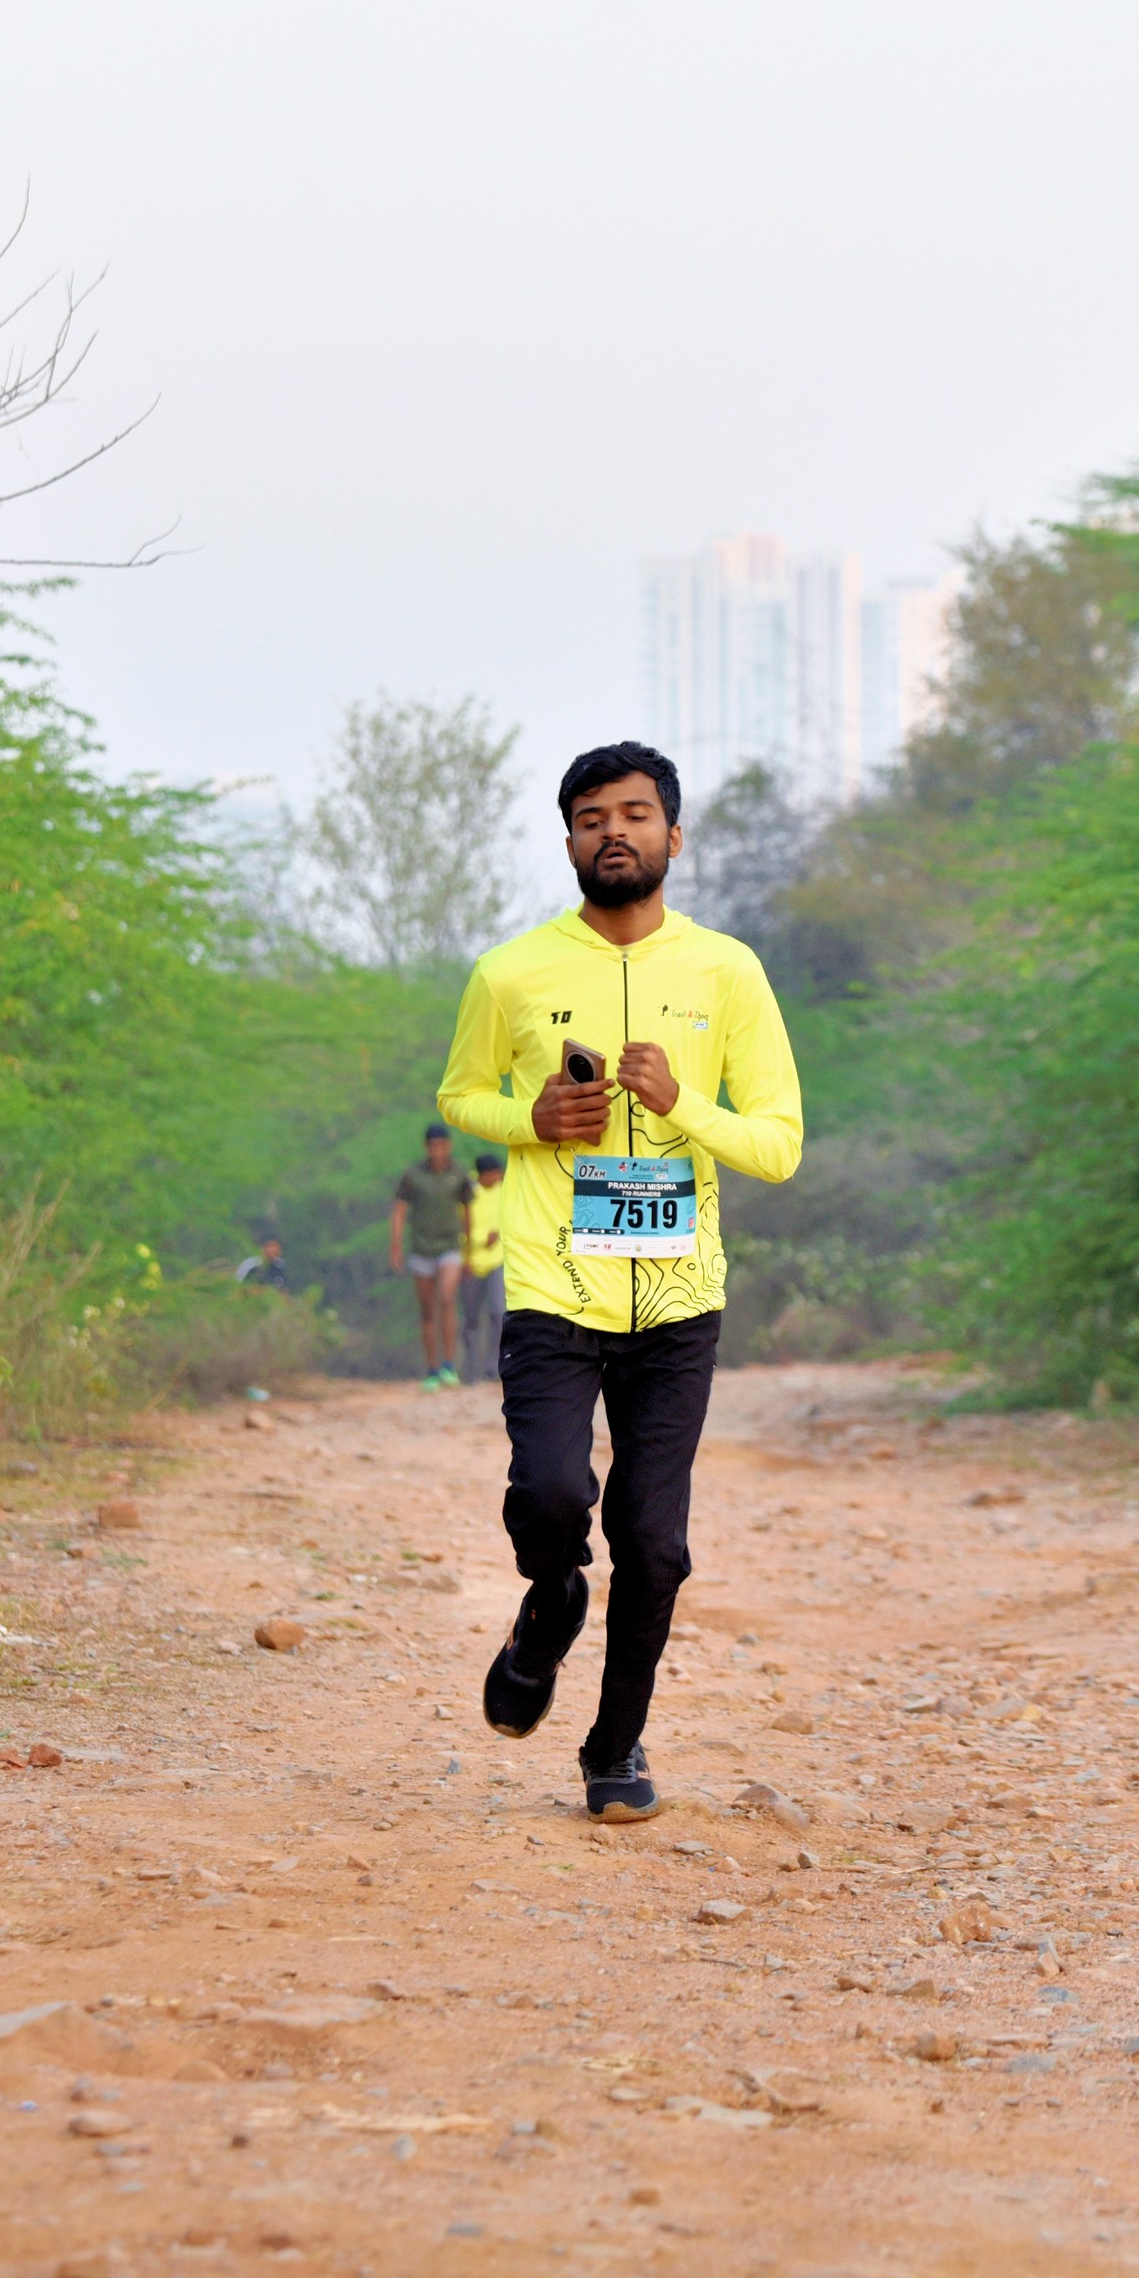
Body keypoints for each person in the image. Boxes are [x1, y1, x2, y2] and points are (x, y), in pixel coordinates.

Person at [439, 738, 802, 1821]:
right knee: (552, 1494)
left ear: (672, 835)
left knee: (654, 1543)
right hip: (553, 1286)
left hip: (679, 1300)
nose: (614, 832)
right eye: (591, 817)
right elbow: (460, 1096)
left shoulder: (727, 971)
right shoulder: (510, 972)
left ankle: (614, 1745)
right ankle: (550, 1600)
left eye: (635, 813)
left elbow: (777, 1144)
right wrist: (532, 1117)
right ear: (567, 843)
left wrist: (684, 1102)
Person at [389, 1122, 470, 1390]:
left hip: (450, 1245)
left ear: (449, 1146)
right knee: (427, 1310)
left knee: (447, 1298)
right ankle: (432, 1368)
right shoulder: (413, 1175)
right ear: (426, 1147)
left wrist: (469, 1247)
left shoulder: (459, 1174)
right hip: (421, 1247)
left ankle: (450, 1364)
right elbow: (400, 1211)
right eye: (432, 1146)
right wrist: (396, 1246)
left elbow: (468, 1211)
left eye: (441, 1146)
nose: (437, 1151)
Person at [459, 1152, 506, 1384]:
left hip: (497, 1259)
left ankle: (493, 1365)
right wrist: (478, 1241)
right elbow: (460, 1226)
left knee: (498, 1312)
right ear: (483, 1174)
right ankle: (471, 1368)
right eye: (494, 1174)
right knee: (471, 1317)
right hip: (471, 1261)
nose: (498, 1177)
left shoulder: (502, 1190)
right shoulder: (467, 1192)